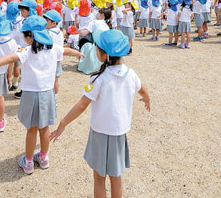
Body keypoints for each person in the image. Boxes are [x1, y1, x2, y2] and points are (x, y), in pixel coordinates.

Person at [0, 16, 83, 175]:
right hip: (47, 94)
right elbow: (66, 50)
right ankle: (44, 158)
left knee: (31, 130)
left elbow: (11, 58)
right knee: (45, 128)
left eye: (24, 34)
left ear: (30, 36)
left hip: (31, 94)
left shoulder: (27, 52)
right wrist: (77, 53)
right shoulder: (53, 49)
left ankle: (29, 161)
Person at [50, 29, 151, 198]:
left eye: (97, 49)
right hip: (119, 132)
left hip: (100, 132)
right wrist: (147, 98)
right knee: (116, 176)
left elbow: (82, 105)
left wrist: (62, 124)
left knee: (99, 176)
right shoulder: (130, 74)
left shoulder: (98, 79)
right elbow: (142, 89)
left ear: (104, 55)